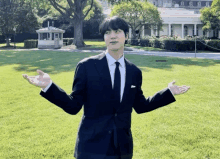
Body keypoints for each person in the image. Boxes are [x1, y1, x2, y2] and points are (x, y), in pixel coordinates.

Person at [22, 16, 190, 159]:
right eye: (107, 32)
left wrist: (168, 93)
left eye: (117, 31)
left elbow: (141, 106)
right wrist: (49, 87)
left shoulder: (134, 72)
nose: (112, 36)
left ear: (126, 35)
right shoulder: (86, 66)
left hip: (122, 149)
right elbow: (73, 106)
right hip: (91, 148)